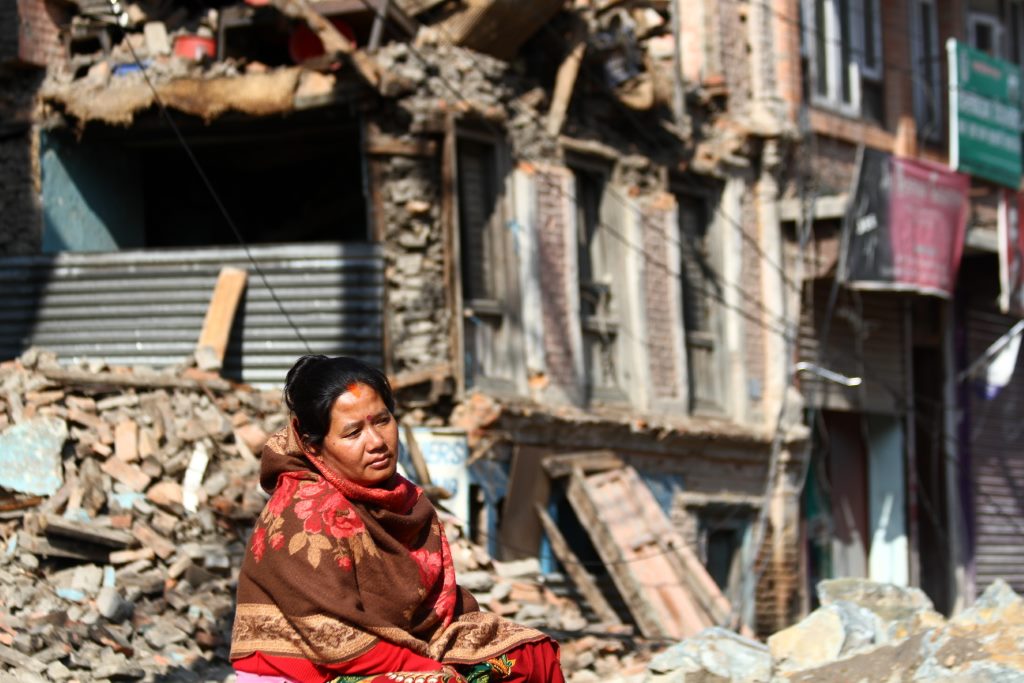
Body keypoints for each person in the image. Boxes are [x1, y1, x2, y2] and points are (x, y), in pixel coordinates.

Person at [231, 355, 565, 683]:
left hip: (395, 644)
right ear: (313, 447)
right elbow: (332, 634)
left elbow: (434, 607)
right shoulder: (307, 512)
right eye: (352, 433)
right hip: (309, 663)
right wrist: (433, 672)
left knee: (528, 656)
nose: (376, 442)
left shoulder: (401, 499)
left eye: (382, 420)